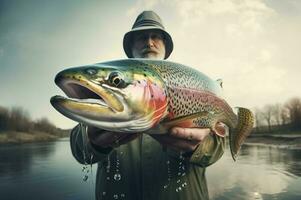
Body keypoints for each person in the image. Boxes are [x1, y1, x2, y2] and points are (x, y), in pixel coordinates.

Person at [70, 10, 226, 200]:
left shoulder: (192, 86)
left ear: (166, 46)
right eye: (141, 37)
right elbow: (80, 151)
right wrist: (92, 140)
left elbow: (216, 150)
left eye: (156, 37)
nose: (149, 42)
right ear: (130, 47)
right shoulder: (108, 91)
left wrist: (198, 147)